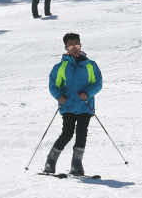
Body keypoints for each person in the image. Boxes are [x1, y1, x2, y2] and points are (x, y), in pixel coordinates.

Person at [43, 32, 103, 175]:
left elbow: (98, 83)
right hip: (68, 105)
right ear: (66, 48)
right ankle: (50, 162)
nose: (74, 47)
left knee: (82, 134)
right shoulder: (60, 67)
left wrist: (87, 93)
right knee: (67, 133)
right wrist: (59, 96)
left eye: (76, 44)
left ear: (80, 45)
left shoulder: (90, 65)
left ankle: (76, 165)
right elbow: (53, 85)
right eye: (71, 45)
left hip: (85, 105)